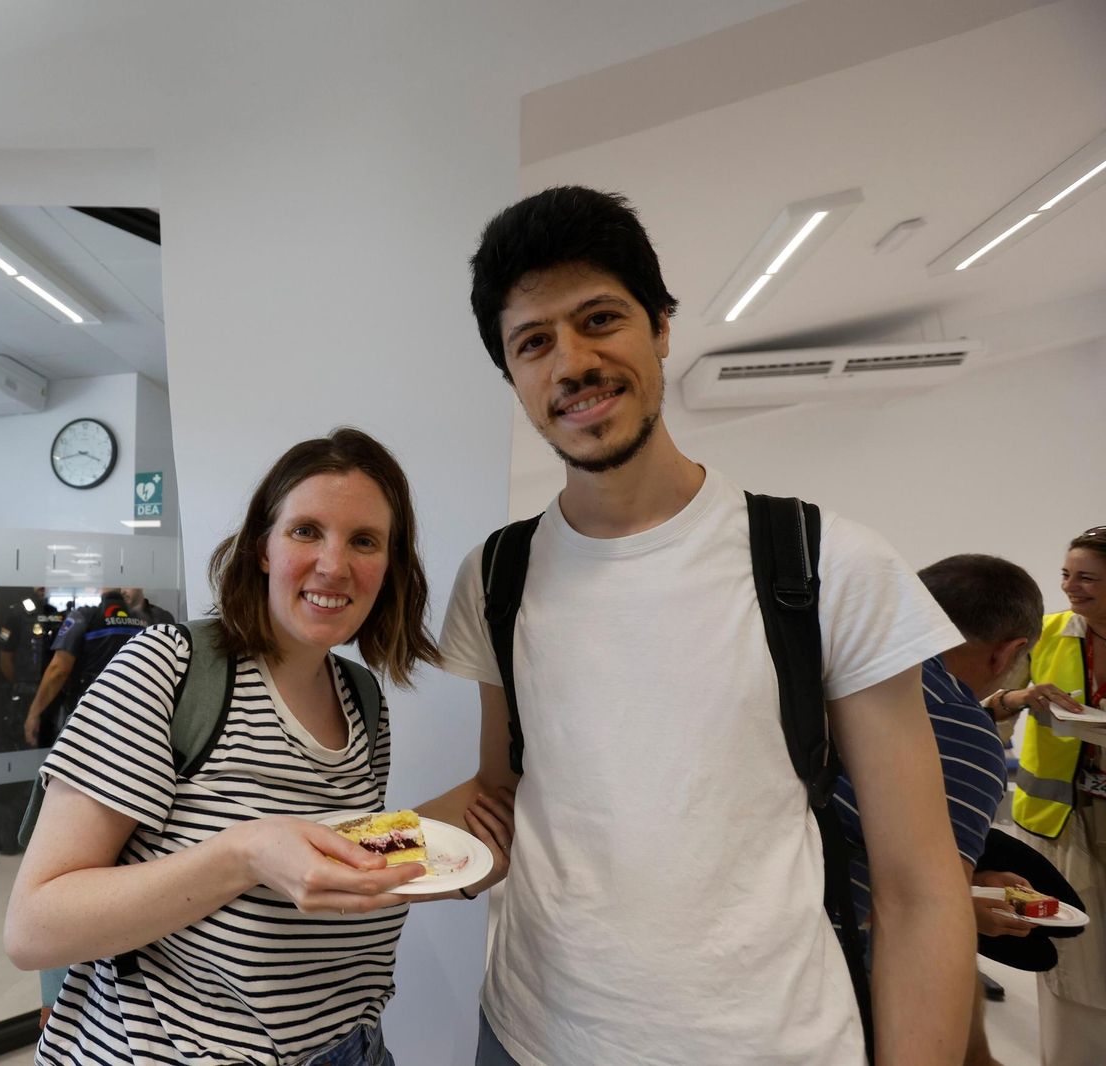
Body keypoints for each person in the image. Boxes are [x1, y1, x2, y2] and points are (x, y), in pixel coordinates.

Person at [430, 186, 975, 1065]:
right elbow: (503, 798)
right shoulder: (498, 575)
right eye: (533, 343)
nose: (570, 362)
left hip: (771, 1043)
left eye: (599, 319)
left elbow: (918, 889)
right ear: (514, 377)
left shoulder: (827, 561)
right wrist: (344, 853)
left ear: (662, 328)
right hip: (531, 1034)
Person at [4, 427, 511, 1065]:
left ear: (390, 566)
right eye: (306, 531)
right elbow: (33, 929)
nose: (334, 565)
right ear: (263, 548)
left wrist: (462, 854)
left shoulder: (362, 700)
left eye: (364, 540)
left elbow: (333, 862)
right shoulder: (167, 669)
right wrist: (242, 854)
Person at [832, 554, 1045, 1066]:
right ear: (1008, 653)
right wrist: (957, 905)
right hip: (823, 982)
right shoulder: (961, 729)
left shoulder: (831, 657)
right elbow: (921, 922)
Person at [1003, 527, 1106, 1066]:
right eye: (1067, 574)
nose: (1070, 587)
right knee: (1072, 956)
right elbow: (985, 702)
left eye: (1086, 577)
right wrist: (1022, 695)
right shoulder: (1045, 634)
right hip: (1058, 822)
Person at [21, 588, 152, 748]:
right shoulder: (144, 621)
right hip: (135, 716)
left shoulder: (83, 616)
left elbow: (58, 670)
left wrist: (34, 713)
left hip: (90, 717)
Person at [0, 588, 67, 853]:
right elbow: (6, 658)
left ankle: (41, 834)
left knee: (48, 766)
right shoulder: (17, 613)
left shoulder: (61, 614)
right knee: (25, 763)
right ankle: (16, 834)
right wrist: (23, 688)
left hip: (52, 697)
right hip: (26, 696)